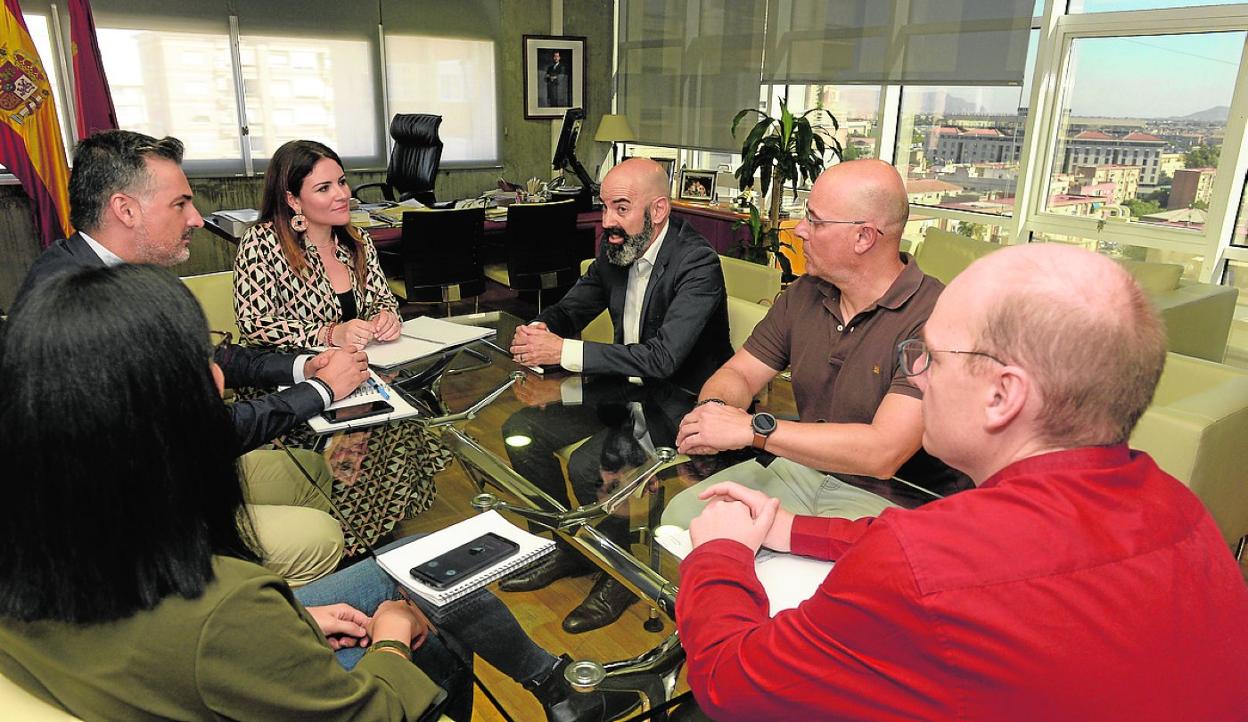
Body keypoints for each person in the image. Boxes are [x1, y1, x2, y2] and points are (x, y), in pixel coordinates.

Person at [0, 264, 634, 722]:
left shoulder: (38, 540)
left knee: (414, 561)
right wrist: (387, 639)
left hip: (192, 662)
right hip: (244, 662)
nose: (222, 375)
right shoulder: (226, 607)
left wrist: (294, 619)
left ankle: (556, 688)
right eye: (199, 365)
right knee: (427, 622)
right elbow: (368, 712)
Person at [674, 244, 1248, 720]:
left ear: (1002, 396)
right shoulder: (1182, 509)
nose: (917, 378)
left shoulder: (921, 565)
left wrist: (721, 552)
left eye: (930, 358)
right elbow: (941, 549)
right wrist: (787, 527)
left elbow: (731, 682)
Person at [13, 129, 359, 586]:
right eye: (181, 204)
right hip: (131, 525)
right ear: (126, 209)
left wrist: (301, 366)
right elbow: (203, 433)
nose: (197, 218)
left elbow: (211, 356)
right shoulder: (82, 305)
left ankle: (292, 602)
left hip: (161, 469)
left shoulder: (116, 268)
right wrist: (321, 390)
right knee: (321, 536)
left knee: (311, 472)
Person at [663, 159, 970, 529]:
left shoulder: (937, 317)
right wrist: (715, 411)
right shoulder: (805, 293)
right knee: (681, 518)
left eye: (816, 221)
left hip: (893, 497)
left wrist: (752, 430)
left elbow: (882, 452)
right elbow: (741, 373)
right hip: (805, 471)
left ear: (864, 237)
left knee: (794, 573)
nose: (801, 231)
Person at [502, 157, 731, 632]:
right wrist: (541, 331)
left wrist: (563, 350)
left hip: (679, 404)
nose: (607, 221)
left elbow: (664, 359)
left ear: (659, 209)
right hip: (623, 390)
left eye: (621, 208)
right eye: (605, 207)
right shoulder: (616, 251)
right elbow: (572, 308)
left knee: (591, 465)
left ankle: (620, 572)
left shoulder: (698, 265)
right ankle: (565, 546)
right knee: (519, 429)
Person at [234, 139, 448, 555]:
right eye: (325, 188)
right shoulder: (262, 244)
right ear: (292, 199)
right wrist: (329, 334)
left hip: (364, 375)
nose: (342, 194)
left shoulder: (357, 240)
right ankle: (343, 541)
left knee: (400, 417)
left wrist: (386, 317)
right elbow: (255, 325)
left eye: (342, 182)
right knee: (365, 426)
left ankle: (379, 534)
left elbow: (383, 300)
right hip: (293, 385)